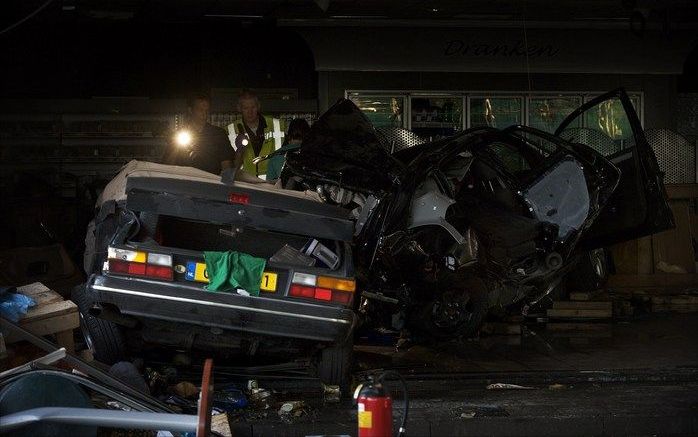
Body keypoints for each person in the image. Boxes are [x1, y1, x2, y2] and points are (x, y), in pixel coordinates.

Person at [163, 93, 234, 175]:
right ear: (191, 110)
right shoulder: (179, 134)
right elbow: (167, 165)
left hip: (210, 184)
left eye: (207, 110)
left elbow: (226, 164)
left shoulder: (218, 134)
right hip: (186, 183)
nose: (204, 113)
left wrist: (226, 183)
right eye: (200, 110)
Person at [228, 90, 285, 180]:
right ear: (239, 108)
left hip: (272, 185)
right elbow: (229, 171)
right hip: (245, 185)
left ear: (258, 106)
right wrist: (239, 151)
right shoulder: (230, 130)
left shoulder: (278, 125)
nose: (250, 112)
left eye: (253, 107)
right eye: (245, 108)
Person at [266, 118, 310, 182]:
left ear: (288, 135)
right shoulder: (315, 154)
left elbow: (269, 184)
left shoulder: (275, 156)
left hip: (282, 191)